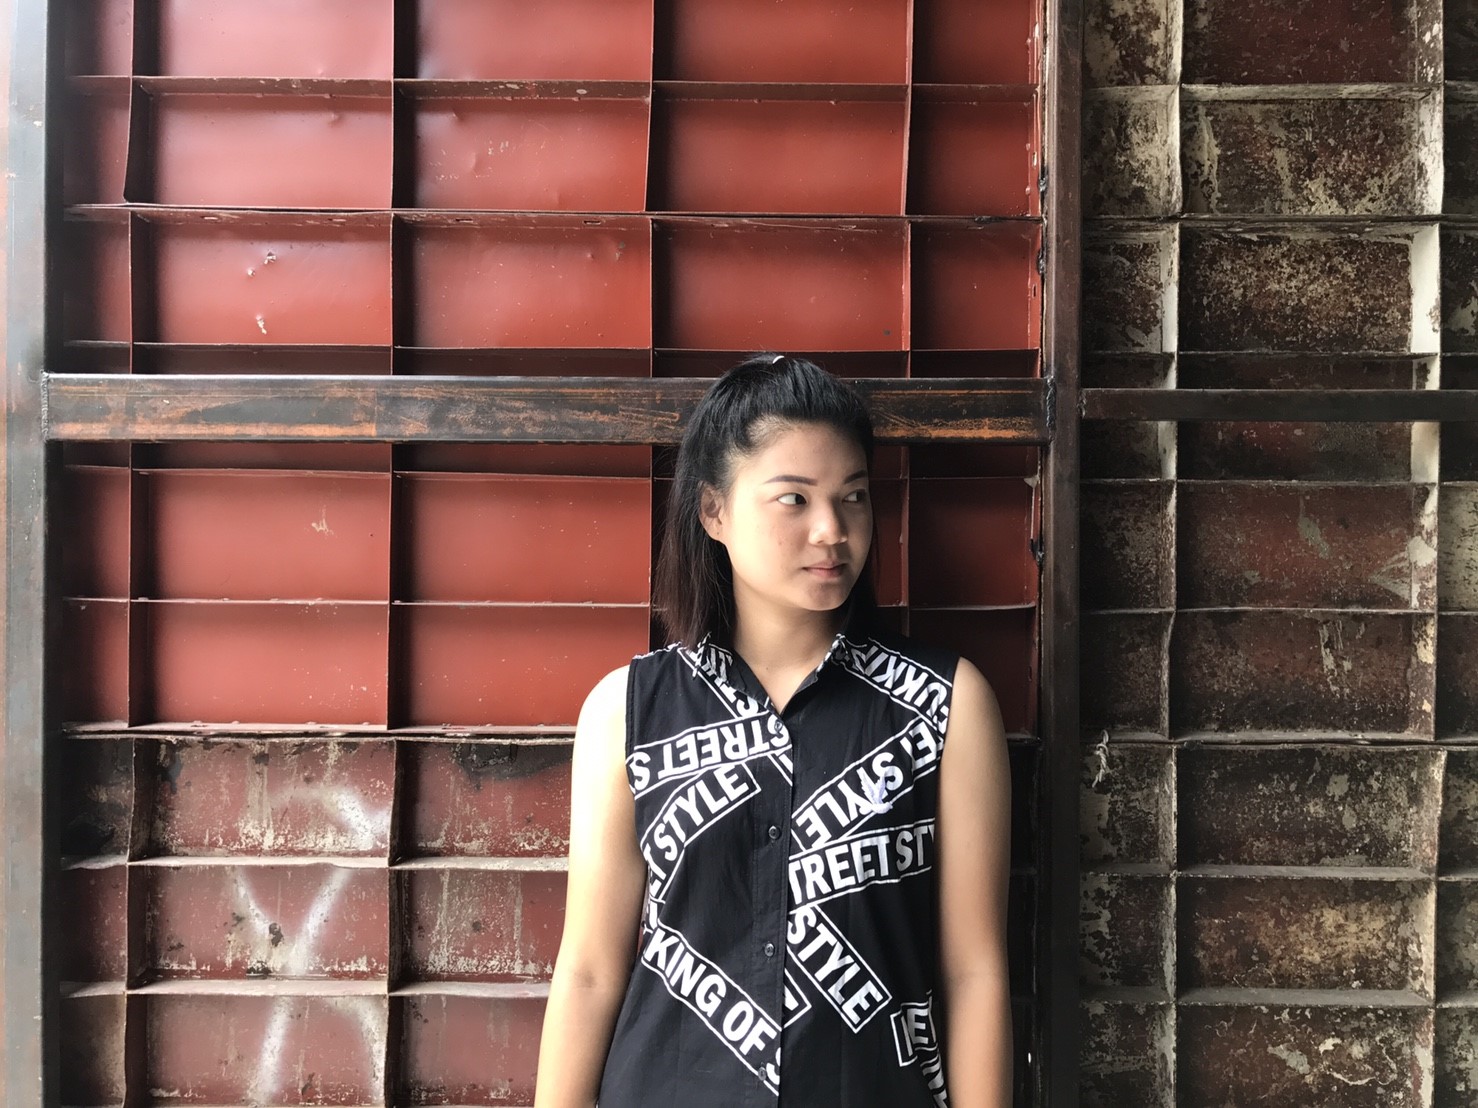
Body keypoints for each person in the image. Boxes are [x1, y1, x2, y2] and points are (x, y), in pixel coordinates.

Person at [534, 354, 1013, 1106]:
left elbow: (974, 971)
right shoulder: (627, 711)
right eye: (794, 498)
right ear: (713, 512)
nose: (832, 530)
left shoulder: (943, 704)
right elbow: (591, 970)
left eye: (853, 497)